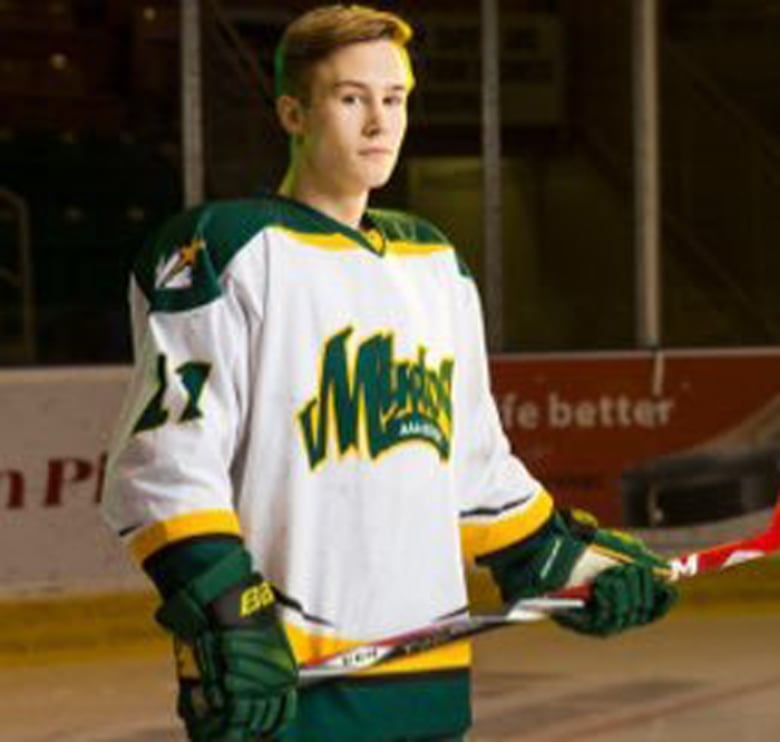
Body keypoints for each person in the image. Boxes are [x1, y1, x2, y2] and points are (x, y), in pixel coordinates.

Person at [103, 5, 676, 741]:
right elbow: (165, 464)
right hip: (287, 685)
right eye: (351, 98)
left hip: (430, 687)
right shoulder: (224, 249)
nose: (379, 122)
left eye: (394, 99)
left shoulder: (434, 264)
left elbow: (473, 468)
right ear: (293, 112)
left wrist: (562, 559)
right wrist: (223, 609)